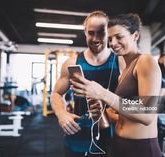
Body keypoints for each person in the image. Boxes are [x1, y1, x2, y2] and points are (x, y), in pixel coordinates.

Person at [70, 13, 162, 157]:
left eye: (119, 37)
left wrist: (103, 94)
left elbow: (147, 113)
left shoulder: (145, 61)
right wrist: (103, 111)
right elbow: (126, 116)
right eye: (110, 38)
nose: (113, 43)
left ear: (135, 36)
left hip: (140, 148)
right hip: (119, 144)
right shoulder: (125, 71)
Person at [50, 11, 124, 157]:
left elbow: (143, 105)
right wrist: (62, 114)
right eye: (91, 33)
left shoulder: (121, 62)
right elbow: (56, 94)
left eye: (101, 33)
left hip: (113, 138)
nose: (95, 39)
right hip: (78, 136)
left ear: (108, 33)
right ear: (85, 32)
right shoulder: (72, 64)